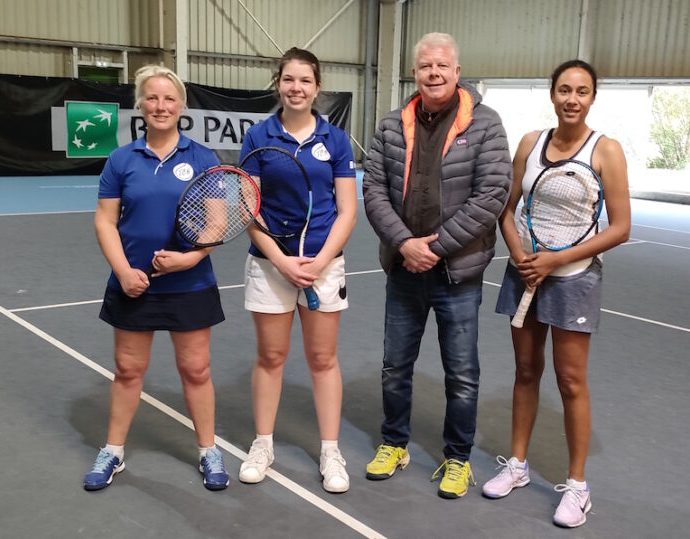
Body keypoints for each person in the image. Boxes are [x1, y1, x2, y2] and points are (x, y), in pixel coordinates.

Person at [362, 32, 512, 499]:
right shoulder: (390, 125)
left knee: (462, 373)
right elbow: (374, 191)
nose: (433, 73)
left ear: (457, 71)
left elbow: (492, 194)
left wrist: (437, 246)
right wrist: (405, 243)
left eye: (442, 65)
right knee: (394, 367)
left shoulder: (486, 125)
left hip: (458, 274)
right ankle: (394, 444)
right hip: (404, 270)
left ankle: (458, 458)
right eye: (426, 65)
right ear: (415, 72)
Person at [482, 59, 631, 527]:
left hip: (575, 279)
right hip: (525, 270)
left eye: (582, 92)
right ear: (552, 94)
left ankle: (578, 487)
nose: (572, 99)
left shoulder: (606, 151)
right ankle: (518, 466)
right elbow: (506, 210)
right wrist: (522, 255)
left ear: (591, 98)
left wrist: (555, 260)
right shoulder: (530, 143)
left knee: (570, 382)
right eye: (564, 90)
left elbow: (622, 228)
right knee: (525, 370)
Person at [83, 65, 229, 491]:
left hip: (190, 283)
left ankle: (208, 450)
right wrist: (123, 271)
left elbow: (217, 225)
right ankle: (113, 451)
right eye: (152, 98)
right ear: (140, 105)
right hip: (133, 284)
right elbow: (106, 222)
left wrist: (189, 258)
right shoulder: (121, 160)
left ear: (181, 105)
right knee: (128, 370)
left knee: (196, 369)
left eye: (169, 98)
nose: (161, 106)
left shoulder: (202, 158)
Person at [237, 47, 357, 494]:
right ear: (278, 83)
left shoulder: (337, 141)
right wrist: (283, 261)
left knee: (323, 360)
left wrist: (319, 263)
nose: (296, 88)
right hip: (271, 266)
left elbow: (346, 211)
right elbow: (248, 210)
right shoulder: (258, 137)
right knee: (271, 358)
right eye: (289, 79)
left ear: (317, 87)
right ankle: (262, 445)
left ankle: (330, 451)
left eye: (305, 80)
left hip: (324, 267)